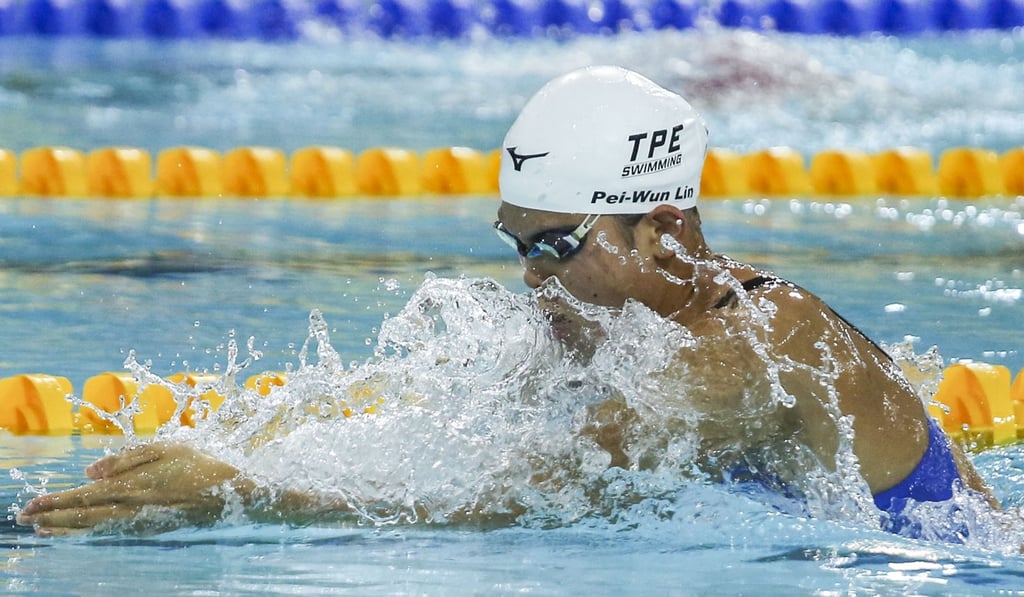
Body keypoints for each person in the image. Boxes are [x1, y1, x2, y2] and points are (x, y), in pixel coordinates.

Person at [17, 65, 995, 539]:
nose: (532, 280)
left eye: (555, 247)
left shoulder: (751, 346)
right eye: (518, 247)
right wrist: (236, 445)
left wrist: (245, 500)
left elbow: (532, 503)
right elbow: (427, 409)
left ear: (656, 227)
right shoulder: (625, 327)